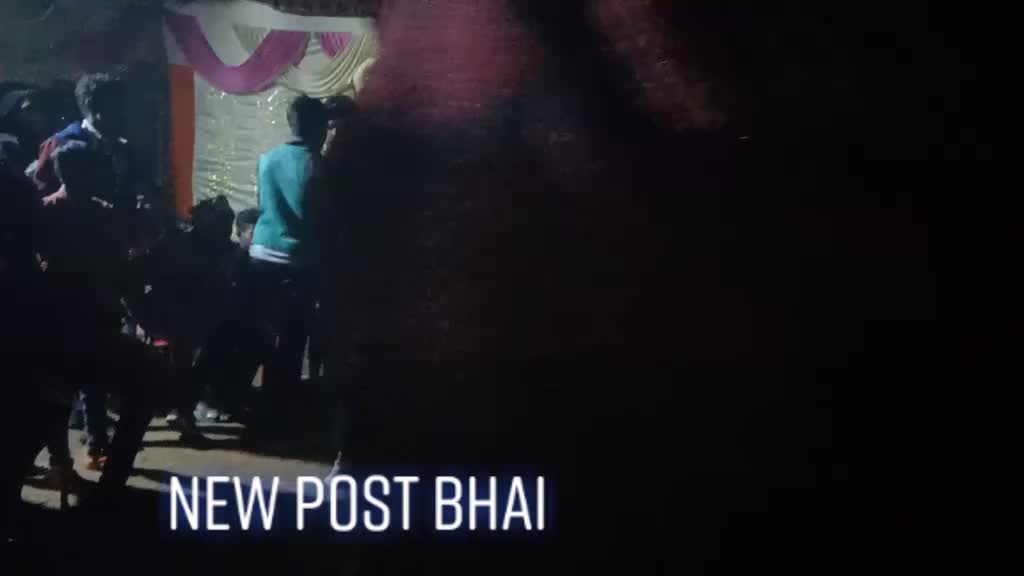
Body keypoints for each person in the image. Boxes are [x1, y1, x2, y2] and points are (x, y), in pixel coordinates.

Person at [245, 95, 328, 442]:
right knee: (293, 341)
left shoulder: (267, 159)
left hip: (260, 255)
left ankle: (263, 408)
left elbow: (264, 205)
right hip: (298, 261)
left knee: (266, 336)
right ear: (320, 128)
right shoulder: (318, 165)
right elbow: (321, 220)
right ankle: (283, 417)